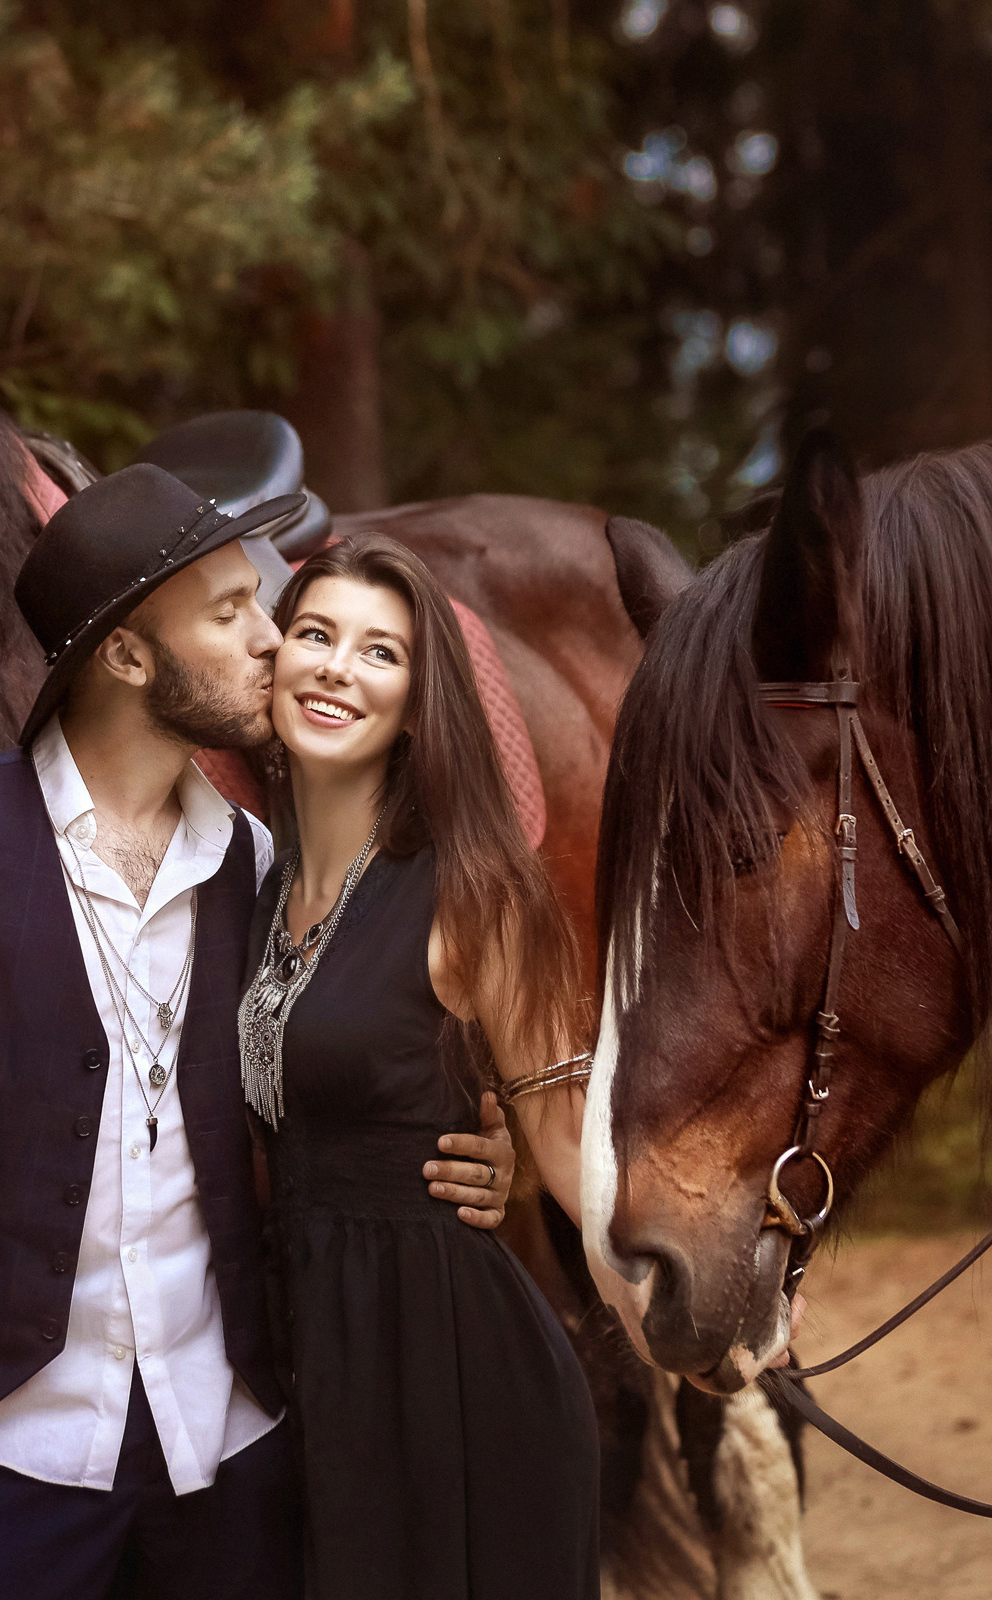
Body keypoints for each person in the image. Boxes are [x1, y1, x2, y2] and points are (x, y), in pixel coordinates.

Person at [0, 464, 518, 1600]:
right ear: (124, 656)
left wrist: (472, 1157)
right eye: (229, 613)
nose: (273, 640)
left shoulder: (258, 863)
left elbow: (339, 1076)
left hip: (230, 1436)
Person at [240, 532, 600, 1600]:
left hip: (456, 1376)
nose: (338, 668)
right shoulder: (252, 886)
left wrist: (708, 1294)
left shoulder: (476, 894)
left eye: (380, 652)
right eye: (314, 634)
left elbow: (573, 1152)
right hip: (307, 1358)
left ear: (417, 700)